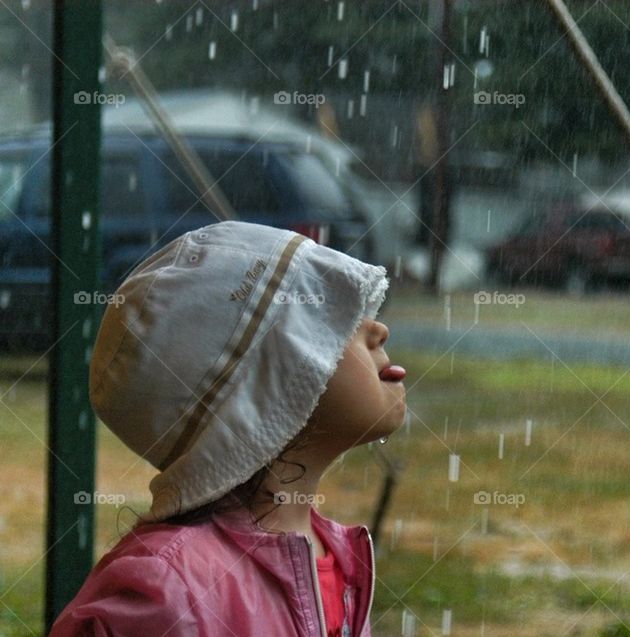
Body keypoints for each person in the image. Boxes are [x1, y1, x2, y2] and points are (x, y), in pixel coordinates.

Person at [49, 221, 407, 636]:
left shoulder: (333, 557)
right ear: (259, 395)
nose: (378, 329)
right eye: (333, 320)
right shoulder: (165, 597)